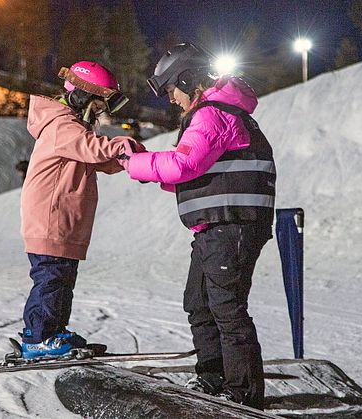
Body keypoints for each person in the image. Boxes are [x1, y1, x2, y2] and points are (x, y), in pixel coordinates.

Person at [118, 43, 275, 410]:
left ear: (187, 79)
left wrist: (133, 162)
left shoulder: (211, 115)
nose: (171, 99)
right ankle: (213, 377)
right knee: (199, 302)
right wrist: (145, 163)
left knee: (226, 308)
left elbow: (181, 166)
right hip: (216, 226)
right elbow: (189, 172)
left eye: (172, 89)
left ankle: (243, 394)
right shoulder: (215, 114)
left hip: (230, 226)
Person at [19, 61, 141, 360]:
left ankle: (53, 331)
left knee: (61, 280)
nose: (99, 113)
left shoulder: (71, 129)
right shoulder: (61, 125)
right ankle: (38, 337)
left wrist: (130, 161)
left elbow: (99, 159)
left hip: (65, 221)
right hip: (51, 219)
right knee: (51, 279)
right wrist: (122, 146)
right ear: (82, 97)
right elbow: (92, 148)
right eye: (97, 105)